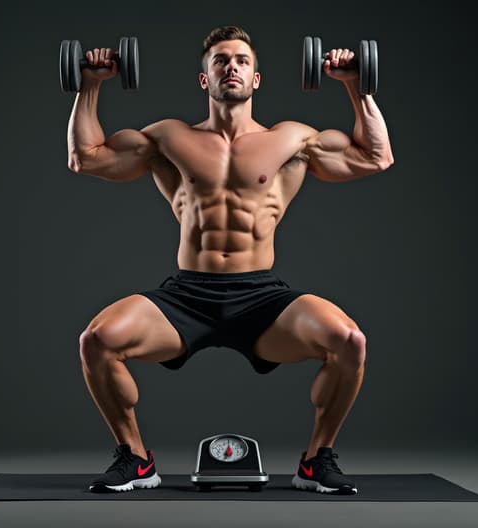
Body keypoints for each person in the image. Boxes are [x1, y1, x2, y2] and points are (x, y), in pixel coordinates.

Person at [68, 25, 393, 494]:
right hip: (186, 297)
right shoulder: (168, 138)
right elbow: (86, 157)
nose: (231, 67)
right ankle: (136, 459)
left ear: (256, 78)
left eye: (241, 60)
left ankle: (316, 460)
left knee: (349, 341)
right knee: (97, 340)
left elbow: (376, 157)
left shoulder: (292, 140)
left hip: (261, 298)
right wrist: (91, 84)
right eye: (220, 60)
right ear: (205, 79)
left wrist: (355, 87)